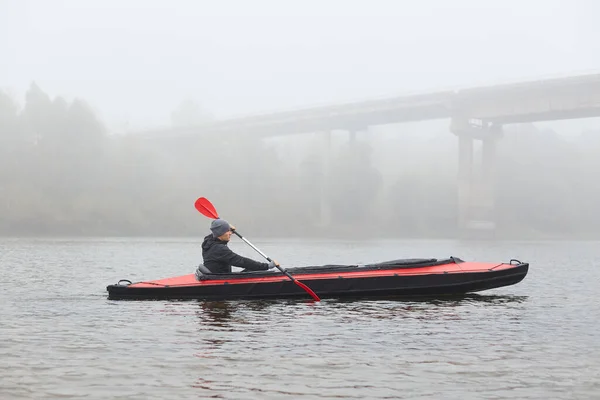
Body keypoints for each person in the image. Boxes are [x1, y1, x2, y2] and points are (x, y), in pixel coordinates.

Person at [200, 218, 280, 273]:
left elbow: (215, 229)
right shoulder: (219, 249)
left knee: (252, 269)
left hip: (216, 275)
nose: (231, 233)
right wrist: (267, 266)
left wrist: (226, 225)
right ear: (221, 233)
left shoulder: (208, 241)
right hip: (221, 279)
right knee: (253, 268)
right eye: (228, 231)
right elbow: (242, 261)